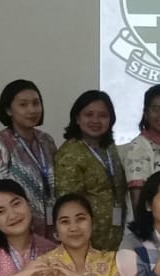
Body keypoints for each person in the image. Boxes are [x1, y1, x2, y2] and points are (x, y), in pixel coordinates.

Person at [0, 80, 58, 240]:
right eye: (23, 105)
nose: (32, 110)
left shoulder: (46, 141)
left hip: (51, 230)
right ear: (8, 110)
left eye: (36, 103)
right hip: (16, 231)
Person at [55, 90, 128, 251]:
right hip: (84, 241)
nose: (95, 120)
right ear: (77, 118)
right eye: (89, 115)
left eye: (103, 115)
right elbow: (69, 204)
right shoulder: (70, 153)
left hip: (112, 237)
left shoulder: (109, 148)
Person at [122, 84, 160, 216]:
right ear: (146, 113)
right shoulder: (138, 147)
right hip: (152, 223)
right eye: (155, 109)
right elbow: (139, 203)